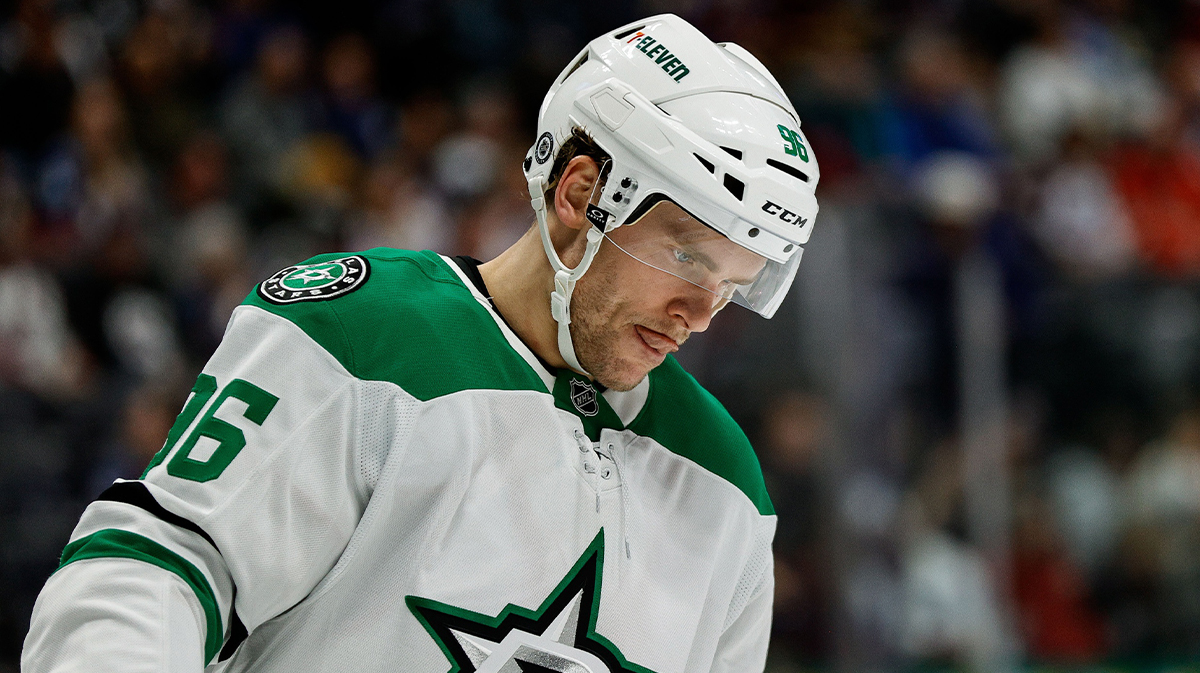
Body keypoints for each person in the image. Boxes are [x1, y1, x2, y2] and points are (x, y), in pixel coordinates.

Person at [23, 14, 818, 673]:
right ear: (583, 194)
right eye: (685, 255)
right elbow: (156, 564)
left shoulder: (727, 486)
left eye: (731, 280)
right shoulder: (364, 329)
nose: (702, 312)